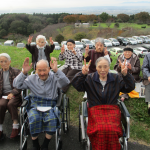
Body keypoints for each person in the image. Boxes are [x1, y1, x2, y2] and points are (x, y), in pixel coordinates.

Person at [72, 57, 135, 150]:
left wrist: (126, 75)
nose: (102, 70)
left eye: (105, 67)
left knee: (112, 129)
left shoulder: (116, 78)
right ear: (96, 67)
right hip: (95, 110)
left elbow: (129, 87)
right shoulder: (89, 78)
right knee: (100, 129)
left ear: (109, 67)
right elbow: (77, 86)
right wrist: (82, 74)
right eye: (100, 67)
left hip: (112, 109)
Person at [13, 57, 69, 150]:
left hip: (51, 104)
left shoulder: (54, 77)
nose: (42, 73)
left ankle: (45, 144)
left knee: (52, 119)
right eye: (39, 70)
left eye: (44, 70)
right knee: (34, 119)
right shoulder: (31, 78)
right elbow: (16, 85)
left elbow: (65, 82)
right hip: (35, 104)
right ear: (35, 70)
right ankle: (35, 143)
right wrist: (23, 73)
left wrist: (56, 70)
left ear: (48, 69)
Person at [0, 53, 21, 140]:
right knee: (1, 105)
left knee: (11, 104)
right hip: (3, 95)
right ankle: (0, 129)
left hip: (14, 95)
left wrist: (12, 93)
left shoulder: (16, 71)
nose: (3, 63)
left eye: (5, 61)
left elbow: (20, 85)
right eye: (1, 61)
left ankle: (15, 127)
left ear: (10, 61)